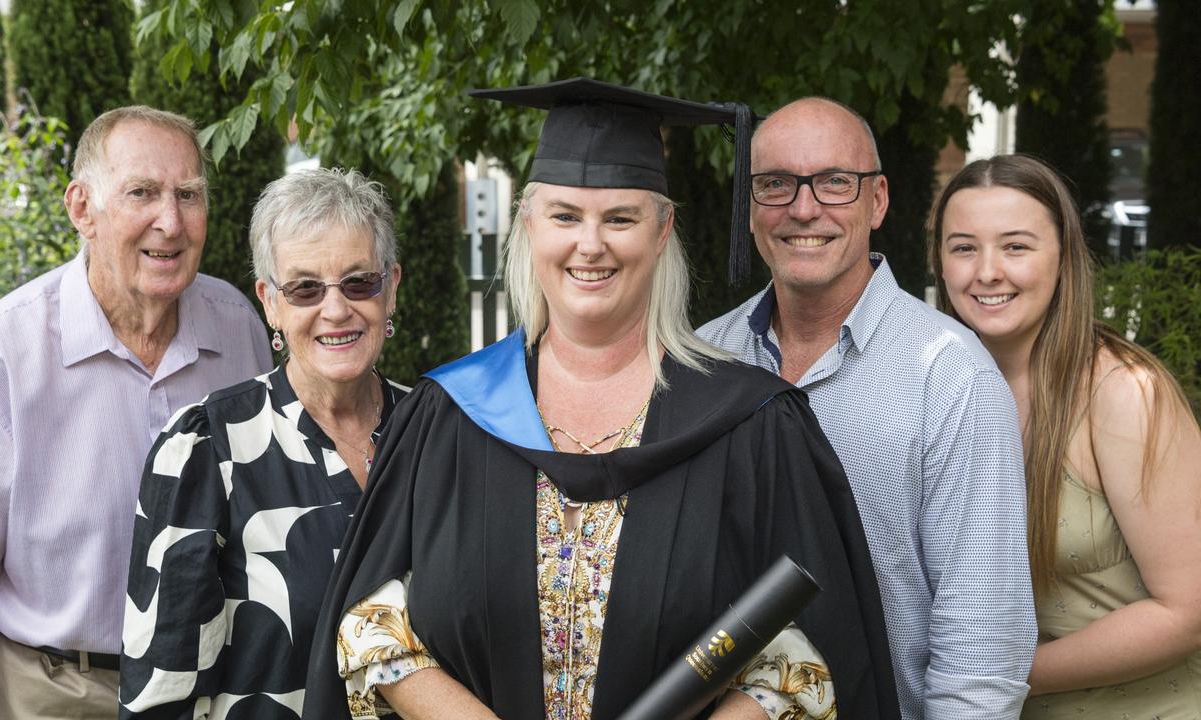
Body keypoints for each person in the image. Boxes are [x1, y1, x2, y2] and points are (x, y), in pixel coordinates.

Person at [303, 78, 899, 720]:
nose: (590, 245)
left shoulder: (750, 425)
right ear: (529, 225)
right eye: (564, 216)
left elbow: (812, 655)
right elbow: (368, 625)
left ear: (663, 227)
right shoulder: (450, 412)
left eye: (620, 217)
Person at [0, 106, 272, 719]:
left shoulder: (238, 330)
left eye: (189, 194)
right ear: (82, 209)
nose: (171, 221)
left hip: (206, 689)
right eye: (142, 192)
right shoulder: (7, 351)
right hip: (55, 691)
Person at [697, 97, 1035, 719]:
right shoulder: (703, 362)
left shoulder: (949, 376)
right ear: (749, 205)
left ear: (877, 201)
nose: (804, 207)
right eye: (776, 184)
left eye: (834, 183)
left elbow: (981, 653)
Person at [118, 168, 408, 718]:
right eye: (304, 288)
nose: (336, 308)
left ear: (391, 286)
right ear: (270, 304)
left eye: (359, 282)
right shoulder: (208, 449)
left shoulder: (437, 434)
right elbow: (161, 695)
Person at [929, 154, 1201, 719]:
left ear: (1064, 258)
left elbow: (1189, 608)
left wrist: (991, 675)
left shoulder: (1125, 392)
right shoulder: (932, 394)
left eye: (1016, 246)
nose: (987, 272)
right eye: (963, 247)